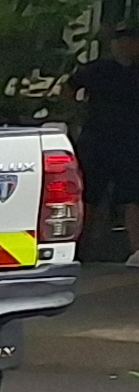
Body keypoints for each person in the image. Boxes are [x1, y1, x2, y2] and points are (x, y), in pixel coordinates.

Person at [66, 25, 139, 264]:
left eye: (129, 40)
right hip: (97, 140)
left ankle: (135, 250)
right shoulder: (99, 69)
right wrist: (74, 115)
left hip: (130, 142)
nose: (124, 45)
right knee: (90, 197)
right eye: (120, 41)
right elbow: (69, 87)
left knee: (131, 197)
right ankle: (79, 249)